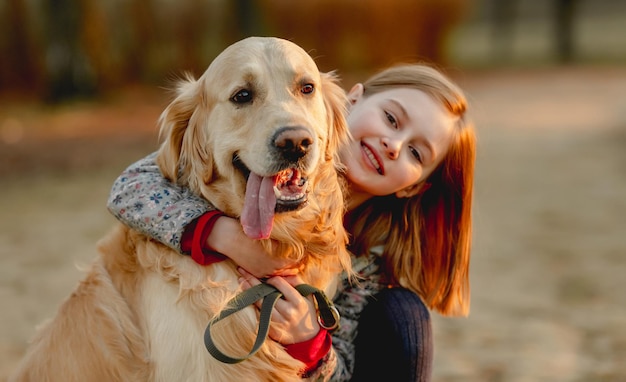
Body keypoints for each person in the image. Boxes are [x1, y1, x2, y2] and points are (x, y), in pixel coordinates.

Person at [107, 63, 476, 381]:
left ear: (414, 188)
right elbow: (131, 186)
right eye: (391, 119)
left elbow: (345, 372)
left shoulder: (365, 271)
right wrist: (226, 236)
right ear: (351, 100)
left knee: (403, 315)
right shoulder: (275, 144)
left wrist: (310, 342)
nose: (393, 144)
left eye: (415, 152)